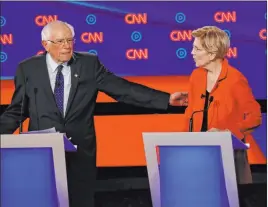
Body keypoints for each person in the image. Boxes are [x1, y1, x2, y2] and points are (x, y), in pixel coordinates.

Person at [0, 20, 188, 207]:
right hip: (42, 154)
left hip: (80, 152)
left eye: (70, 40)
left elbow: (123, 89)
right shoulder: (28, 69)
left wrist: (166, 99)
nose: (66, 46)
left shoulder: (89, 64)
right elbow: (18, 109)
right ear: (45, 45)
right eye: (60, 41)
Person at [182, 26, 262, 185]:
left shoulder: (235, 79)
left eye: (197, 49)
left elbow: (255, 117)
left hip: (229, 153)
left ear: (212, 54)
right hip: (200, 152)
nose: (192, 53)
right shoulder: (196, 77)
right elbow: (189, 113)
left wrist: (228, 132)